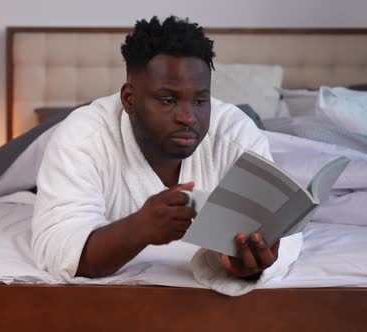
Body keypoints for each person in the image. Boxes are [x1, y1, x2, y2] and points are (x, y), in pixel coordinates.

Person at [31, 15, 282, 282]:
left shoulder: (236, 135)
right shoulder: (83, 136)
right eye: (167, 100)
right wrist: (139, 228)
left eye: (200, 100)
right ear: (129, 98)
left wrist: (246, 265)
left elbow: (280, 232)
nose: (188, 117)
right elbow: (58, 248)